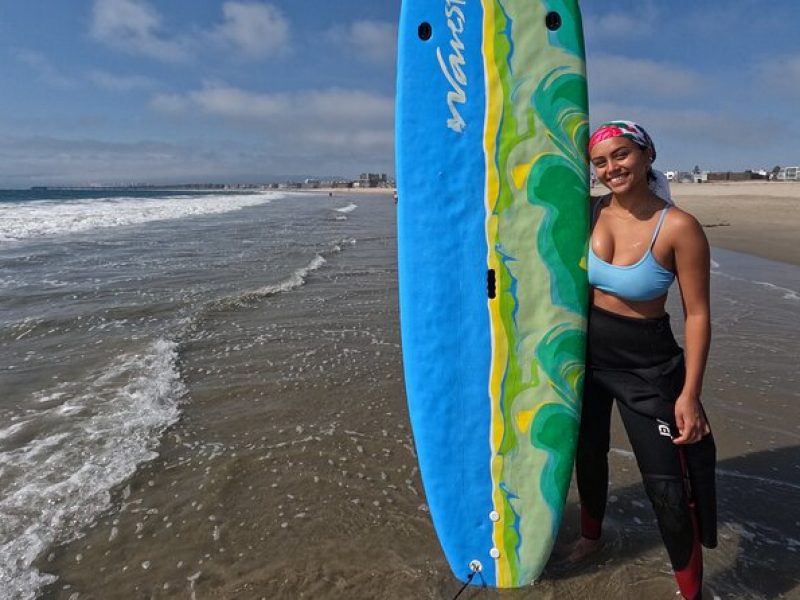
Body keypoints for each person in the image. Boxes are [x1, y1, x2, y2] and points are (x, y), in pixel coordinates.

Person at [571, 120, 717, 600]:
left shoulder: (678, 227)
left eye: (621, 156)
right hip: (586, 357)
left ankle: (690, 591)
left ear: (646, 155)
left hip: (647, 368)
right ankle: (590, 540)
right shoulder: (588, 213)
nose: (611, 168)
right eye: (601, 161)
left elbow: (697, 315)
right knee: (586, 455)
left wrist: (689, 395)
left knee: (668, 488)